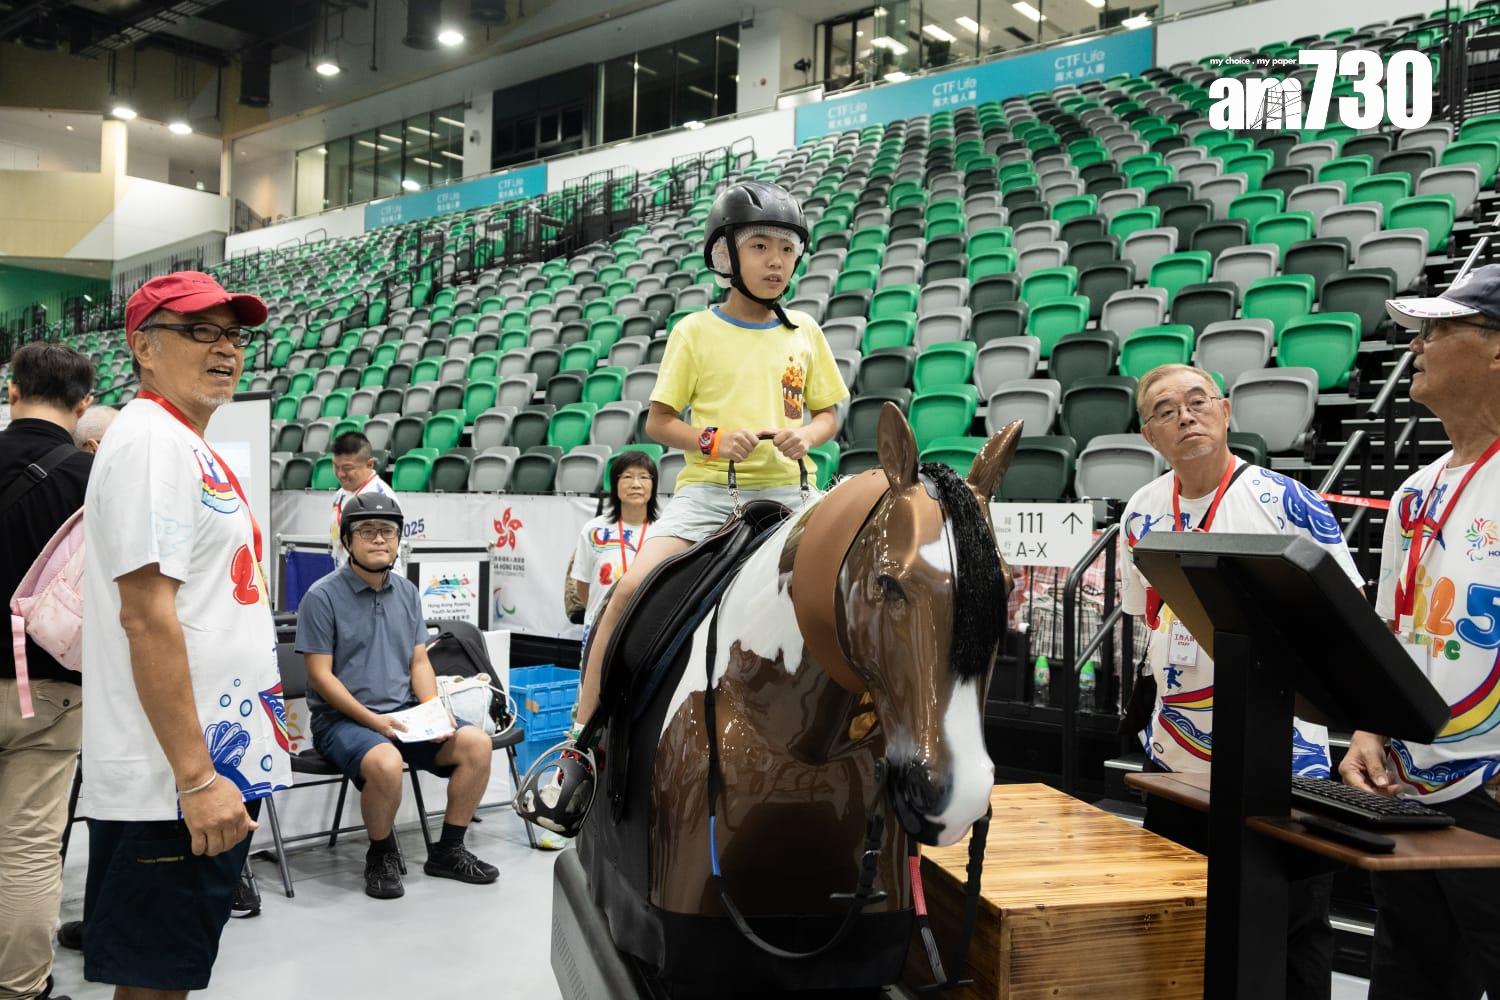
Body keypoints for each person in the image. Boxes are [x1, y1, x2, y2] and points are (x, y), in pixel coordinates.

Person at [1119, 363, 1363, 1000]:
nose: (1185, 417)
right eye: (1165, 411)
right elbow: (1146, 621)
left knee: (1291, 927)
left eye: (1197, 402)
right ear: (1149, 436)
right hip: (1177, 759)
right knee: (1183, 920)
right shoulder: (1140, 515)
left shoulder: (1286, 502)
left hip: (1282, 762)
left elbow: (1349, 618)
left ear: (1226, 413)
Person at [78, 271, 291, 999]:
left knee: (171, 970)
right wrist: (199, 779)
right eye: (200, 331)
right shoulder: (148, 443)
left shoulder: (180, 441)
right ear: (144, 346)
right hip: (172, 778)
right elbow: (146, 616)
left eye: (233, 334)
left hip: (201, 766)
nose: (226, 349)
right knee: (153, 979)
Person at [574, 180, 848, 722]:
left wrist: (809, 437)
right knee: (630, 588)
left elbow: (828, 415)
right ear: (725, 255)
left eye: (788, 249)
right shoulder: (694, 331)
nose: (778, 262)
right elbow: (659, 422)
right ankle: (582, 731)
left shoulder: (805, 333)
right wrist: (713, 440)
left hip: (793, 496)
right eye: (761, 247)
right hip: (708, 498)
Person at [1339, 270, 1500, 999]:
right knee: (1407, 974)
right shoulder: (1416, 491)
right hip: (1407, 787)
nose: (1417, 346)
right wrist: (1367, 729)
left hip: (1489, 794)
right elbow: (1390, 626)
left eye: (1439, 329)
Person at [296, 492, 499, 900]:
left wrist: (434, 712)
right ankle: (381, 852)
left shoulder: (406, 591)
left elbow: (419, 663)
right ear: (347, 541)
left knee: (476, 743)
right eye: (366, 531)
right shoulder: (321, 597)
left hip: (405, 714)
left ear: (398, 540)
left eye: (387, 531)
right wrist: (375, 722)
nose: (378, 539)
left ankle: (448, 850)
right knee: (386, 762)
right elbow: (320, 676)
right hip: (343, 722)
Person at [0, 342, 94, 1000]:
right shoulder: (93, 479)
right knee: (30, 844)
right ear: (83, 405)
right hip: (51, 686)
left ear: (12, 391)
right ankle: (20, 988)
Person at [569, 451, 661, 632]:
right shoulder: (594, 530)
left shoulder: (663, 534)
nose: (636, 484)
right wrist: (605, 614)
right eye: (627, 476)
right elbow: (583, 585)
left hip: (646, 630)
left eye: (644, 477)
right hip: (599, 627)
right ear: (615, 484)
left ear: (653, 485)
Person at [328, 431, 401, 574]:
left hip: (375, 585)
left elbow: (381, 554)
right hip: (347, 580)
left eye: (347, 468)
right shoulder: (340, 494)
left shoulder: (380, 499)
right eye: (336, 467)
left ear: (369, 464)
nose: (340, 474)